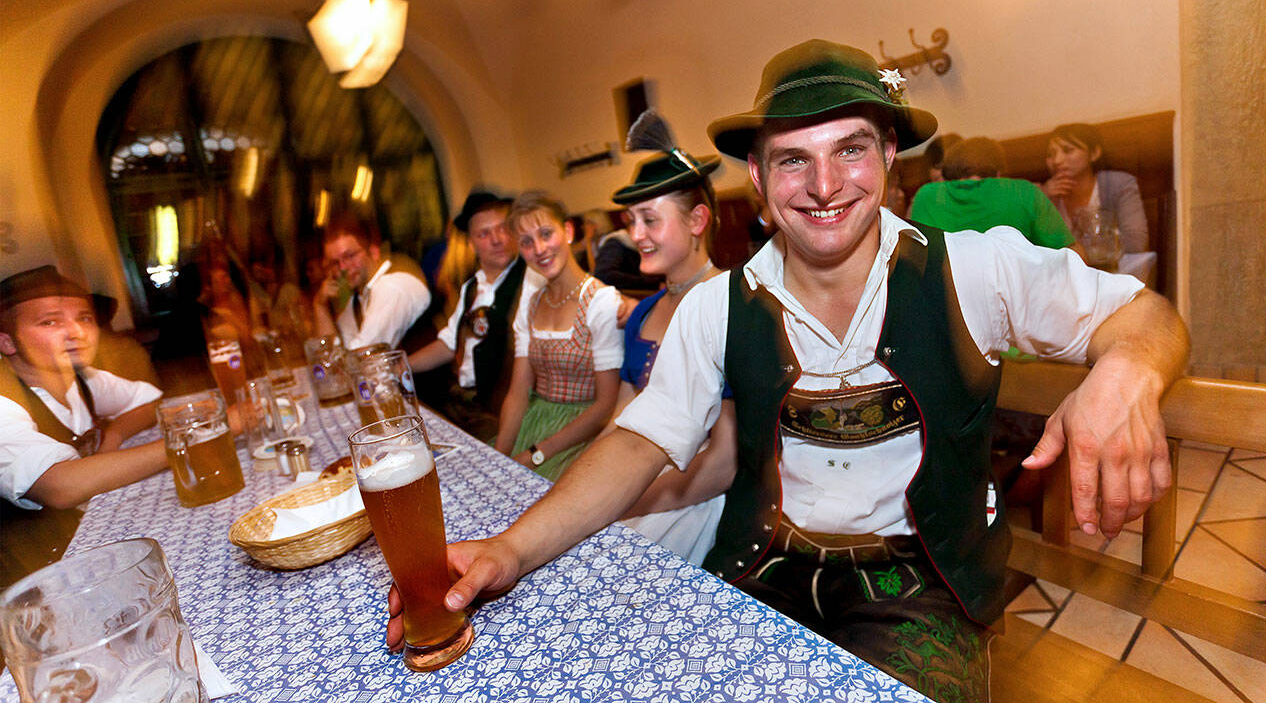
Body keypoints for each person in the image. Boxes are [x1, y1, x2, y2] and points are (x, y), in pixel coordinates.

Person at [387, 41, 1188, 701]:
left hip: (923, 584)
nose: (827, 184)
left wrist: (1125, 374)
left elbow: (1149, 318)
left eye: (850, 149)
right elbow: (641, 441)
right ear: (761, 186)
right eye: (793, 161)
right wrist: (512, 550)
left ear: (887, 163)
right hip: (762, 566)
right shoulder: (718, 307)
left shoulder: (976, 269)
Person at [601, 109, 736, 565]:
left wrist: (626, 502)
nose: (635, 234)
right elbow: (619, 421)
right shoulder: (641, 312)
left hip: (697, 498)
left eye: (649, 220)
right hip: (634, 479)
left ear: (697, 220)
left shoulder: (731, 304)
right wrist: (590, 488)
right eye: (630, 220)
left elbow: (724, 461)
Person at [0, 267, 169, 586]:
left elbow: (150, 402)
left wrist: (114, 433)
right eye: (49, 322)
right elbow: (61, 486)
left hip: (90, 548)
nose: (75, 331)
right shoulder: (3, 399)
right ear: (7, 342)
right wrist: (183, 444)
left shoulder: (83, 379)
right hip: (32, 584)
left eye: (85, 318)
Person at [493, 191, 623, 482]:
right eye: (526, 242)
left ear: (567, 231)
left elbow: (605, 406)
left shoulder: (601, 302)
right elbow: (518, 392)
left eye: (546, 233)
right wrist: (499, 456)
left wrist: (537, 453)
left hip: (581, 434)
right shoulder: (533, 302)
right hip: (535, 422)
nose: (539, 248)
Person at [407, 191, 542, 441]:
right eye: (484, 233)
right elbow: (449, 344)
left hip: (502, 413)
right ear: (471, 243)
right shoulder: (470, 287)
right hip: (460, 406)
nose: (497, 239)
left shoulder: (532, 279)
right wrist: (399, 366)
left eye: (503, 229)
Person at [910, 136, 1079, 251]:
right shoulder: (1023, 191)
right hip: (1015, 300)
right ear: (999, 174)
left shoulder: (926, 195)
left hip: (947, 300)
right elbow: (1075, 256)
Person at [311, 212, 431, 350]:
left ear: (374, 252)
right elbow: (331, 354)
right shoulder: (357, 296)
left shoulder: (392, 286)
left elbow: (363, 357)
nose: (343, 268)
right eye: (335, 263)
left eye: (350, 256)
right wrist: (320, 305)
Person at [1042, 122, 1149, 254]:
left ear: (1094, 153)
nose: (1057, 160)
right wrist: (1043, 199)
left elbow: (1136, 242)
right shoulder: (1041, 194)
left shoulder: (1119, 184)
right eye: (1050, 154)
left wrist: (1079, 253)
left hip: (1115, 272)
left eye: (1068, 150)